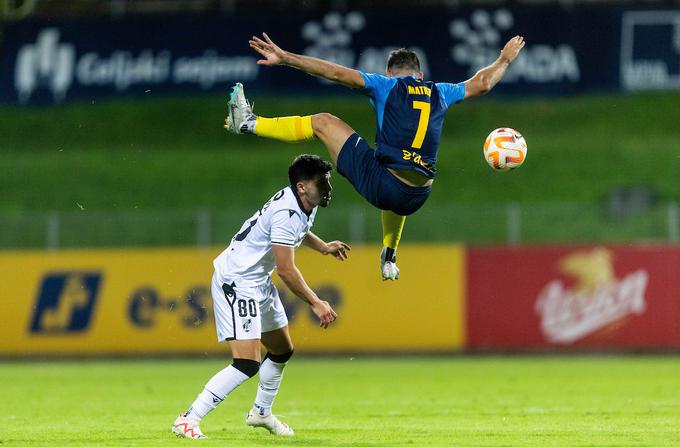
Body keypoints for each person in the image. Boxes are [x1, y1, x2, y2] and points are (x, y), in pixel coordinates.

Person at [224, 32, 525, 280]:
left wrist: (287, 58)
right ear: (421, 74)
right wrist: (506, 58)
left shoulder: (386, 85)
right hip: (418, 196)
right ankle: (389, 253)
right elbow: (483, 83)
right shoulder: (441, 92)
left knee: (324, 122)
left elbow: (334, 72)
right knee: (393, 162)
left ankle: (249, 123)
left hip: (386, 186)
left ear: (389, 74)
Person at [172, 154, 350, 439]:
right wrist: (316, 302)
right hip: (238, 280)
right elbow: (286, 269)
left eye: (328, 181)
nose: (328, 187)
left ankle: (261, 413)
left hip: (257, 280)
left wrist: (324, 247)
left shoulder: (303, 203)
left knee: (281, 350)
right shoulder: (286, 213)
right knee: (247, 363)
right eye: (322, 182)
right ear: (302, 187)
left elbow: (299, 232)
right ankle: (188, 419)